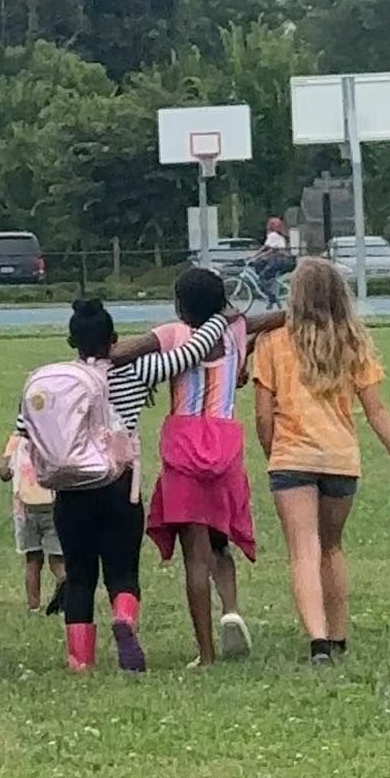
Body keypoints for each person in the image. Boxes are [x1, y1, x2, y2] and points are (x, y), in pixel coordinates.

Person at [24, 295, 232, 673]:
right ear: (114, 339)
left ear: (72, 342)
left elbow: (25, 428)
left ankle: (80, 660)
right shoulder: (138, 371)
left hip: (69, 490)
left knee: (79, 576)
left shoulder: (57, 382)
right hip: (119, 485)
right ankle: (124, 618)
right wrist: (219, 318)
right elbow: (192, 353)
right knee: (122, 571)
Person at [252, 256, 390, 664]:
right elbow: (376, 410)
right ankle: (339, 635)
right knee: (331, 547)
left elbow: (262, 413)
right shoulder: (352, 341)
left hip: (291, 456)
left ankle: (318, 642)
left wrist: (273, 451)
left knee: (303, 551)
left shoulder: (272, 342)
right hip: (340, 459)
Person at [146, 267, 258, 668]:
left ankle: (206, 653)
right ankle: (231, 609)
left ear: (180, 305)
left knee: (195, 554)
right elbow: (265, 320)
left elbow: (127, 351)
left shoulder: (173, 336)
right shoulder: (235, 331)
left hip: (184, 447)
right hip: (224, 445)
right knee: (220, 541)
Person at [0, 432, 66, 612]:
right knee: (57, 559)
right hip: (53, 506)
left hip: (24, 508)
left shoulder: (16, 440)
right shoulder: (51, 435)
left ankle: (33, 606)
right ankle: (64, 583)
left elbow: (3, 472)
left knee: (32, 559)